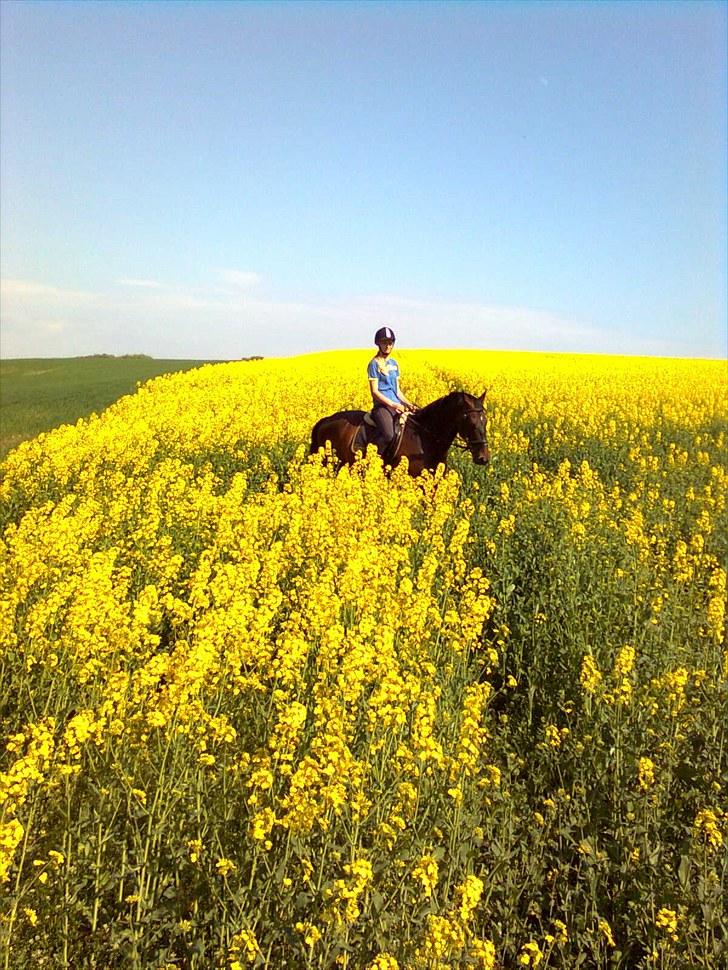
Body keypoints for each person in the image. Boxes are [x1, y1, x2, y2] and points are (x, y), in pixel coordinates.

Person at [367, 327, 416, 458]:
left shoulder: (394, 364)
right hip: (382, 407)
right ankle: (374, 461)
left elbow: (397, 390)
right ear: (378, 344)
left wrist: (409, 404)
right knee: (389, 435)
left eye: (390, 343)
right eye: (384, 342)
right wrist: (393, 405)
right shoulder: (373, 364)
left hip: (397, 405)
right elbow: (375, 392)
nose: (388, 346)